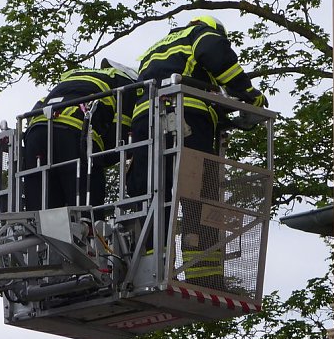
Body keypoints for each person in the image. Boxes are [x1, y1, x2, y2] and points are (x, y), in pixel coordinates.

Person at [126, 15, 267, 285]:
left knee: (154, 192)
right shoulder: (201, 34)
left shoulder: (155, 50)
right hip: (185, 118)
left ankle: (152, 268)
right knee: (199, 194)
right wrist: (251, 96)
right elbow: (215, 55)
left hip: (145, 122)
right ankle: (205, 276)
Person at [22, 59, 139, 212]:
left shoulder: (79, 76)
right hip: (74, 134)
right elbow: (120, 138)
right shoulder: (126, 85)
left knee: (42, 216)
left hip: (36, 131)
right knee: (86, 213)